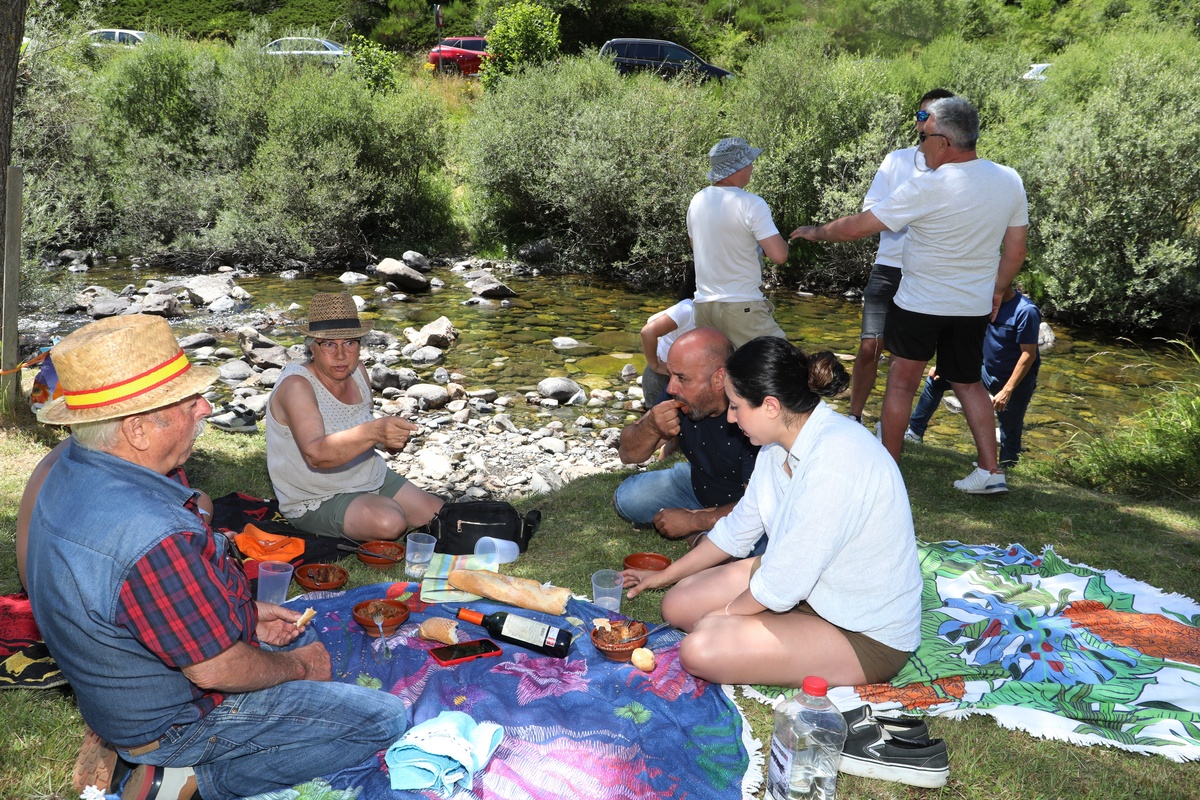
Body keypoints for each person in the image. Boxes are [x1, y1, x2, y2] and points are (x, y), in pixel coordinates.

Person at [26, 314, 408, 800]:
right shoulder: (152, 533)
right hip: (169, 723)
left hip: (115, 694)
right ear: (138, 429)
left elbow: (150, 599)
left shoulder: (72, 466)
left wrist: (244, 614)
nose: (206, 408)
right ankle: (193, 784)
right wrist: (297, 667)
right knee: (382, 718)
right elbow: (216, 670)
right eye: (188, 401)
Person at [622, 337, 921, 688]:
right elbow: (737, 531)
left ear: (770, 406)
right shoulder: (776, 445)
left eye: (735, 407)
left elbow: (782, 584)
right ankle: (774, 626)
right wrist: (665, 575)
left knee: (700, 647)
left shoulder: (836, 462)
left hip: (862, 630)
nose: (731, 419)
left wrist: (725, 614)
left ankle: (776, 632)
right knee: (677, 606)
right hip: (809, 587)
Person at [790, 96, 1028, 494]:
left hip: (920, 303)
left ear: (945, 142)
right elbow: (1016, 250)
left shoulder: (928, 187)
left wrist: (816, 231)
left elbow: (857, 227)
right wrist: (998, 291)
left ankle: (887, 471)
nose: (920, 147)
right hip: (971, 307)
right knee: (969, 383)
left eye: (924, 139)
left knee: (902, 383)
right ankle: (991, 471)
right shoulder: (1009, 180)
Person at [266, 292, 443, 541]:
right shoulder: (297, 386)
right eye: (329, 344)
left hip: (369, 476)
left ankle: (373, 505)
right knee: (390, 522)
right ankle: (371, 509)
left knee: (438, 516)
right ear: (311, 346)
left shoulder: (358, 371)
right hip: (316, 496)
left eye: (350, 343)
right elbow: (315, 454)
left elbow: (362, 430)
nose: (341, 355)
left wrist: (388, 441)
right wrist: (375, 432)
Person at [846, 88, 955, 425]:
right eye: (921, 115)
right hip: (888, 267)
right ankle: (853, 417)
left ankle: (888, 423)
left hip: (927, 274)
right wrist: (908, 213)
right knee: (869, 347)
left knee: (905, 358)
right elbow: (869, 208)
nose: (925, 123)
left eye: (932, 116)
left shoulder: (957, 168)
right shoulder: (896, 159)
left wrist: (911, 214)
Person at [615, 327, 759, 548]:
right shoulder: (679, 395)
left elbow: (758, 508)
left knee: (755, 548)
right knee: (628, 499)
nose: (671, 388)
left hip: (745, 502)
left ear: (719, 378)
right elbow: (627, 455)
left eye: (682, 378)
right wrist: (651, 426)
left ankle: (700, 534)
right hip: (697, 485)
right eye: (671, 374)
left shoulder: (754, 417)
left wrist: (693, 520)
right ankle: (704, 530)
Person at [907, 285, 1042, 466]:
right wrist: (943, 366)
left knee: (1009, 432)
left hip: (1015, 381)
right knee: (936, 380)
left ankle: (1006, 469)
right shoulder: (984, 304)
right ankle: (914, 433)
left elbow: (1028, 355)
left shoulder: (1026, 311)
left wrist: (1007, 390)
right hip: (985, 371)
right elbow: (964, 335)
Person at [688, 137, 789, 347]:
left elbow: (697, 249)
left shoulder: (698, 200)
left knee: (721, 373)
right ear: (739, 167)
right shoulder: (752, 203)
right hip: (742, 306)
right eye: (750, 161)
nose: (752, 166)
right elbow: (780, 256)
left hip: (704, 307)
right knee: (783, 364)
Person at [640, 266, 696, 408]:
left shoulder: (695, 308)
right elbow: (647, 332)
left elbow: (652, 319)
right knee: (658, 426)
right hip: (661, 377)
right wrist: (656, 365)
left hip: (677, 377)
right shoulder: (688, 308)